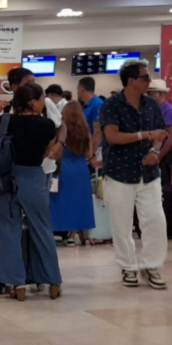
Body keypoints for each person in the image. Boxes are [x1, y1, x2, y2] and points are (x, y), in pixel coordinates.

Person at [98, 59, 170, 289]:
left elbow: (161, 133)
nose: (149, 81)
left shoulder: (151, 104)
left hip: (148, 173)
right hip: (119, 173)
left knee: (155, 221)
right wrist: (145, 135)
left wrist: (155, 151)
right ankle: (128, 267)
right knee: (121, 224)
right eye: (145, 77)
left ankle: (151, 266)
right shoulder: (112, 105)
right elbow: (111, 136)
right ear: (131, 81)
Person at [0, 84, 64, 300]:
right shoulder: (46, 125)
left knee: (7, 230)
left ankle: (17, 284)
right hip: (33, 177)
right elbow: (46, 152)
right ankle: (52, 281)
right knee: (42, 229)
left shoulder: (4, 121)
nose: (44, 102)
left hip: (5, 180)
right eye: (42, 98)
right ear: (33, 102)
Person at [50, 99, 96, 245]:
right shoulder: (85, 130)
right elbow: (89, 154)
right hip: (80, 170)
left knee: (60, 202)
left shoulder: (61, 130)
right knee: (78, 202)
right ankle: (72, 236)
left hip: (62, 168)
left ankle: (54, 230)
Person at [148, 79, 172, 240]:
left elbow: (171, 137)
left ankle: (167, 228)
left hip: (163, 153)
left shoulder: (168, 110)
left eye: (151, 93)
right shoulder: (151, 110)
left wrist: (159, 155)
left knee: (163, 189)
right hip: (153, 152)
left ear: (160, 94)